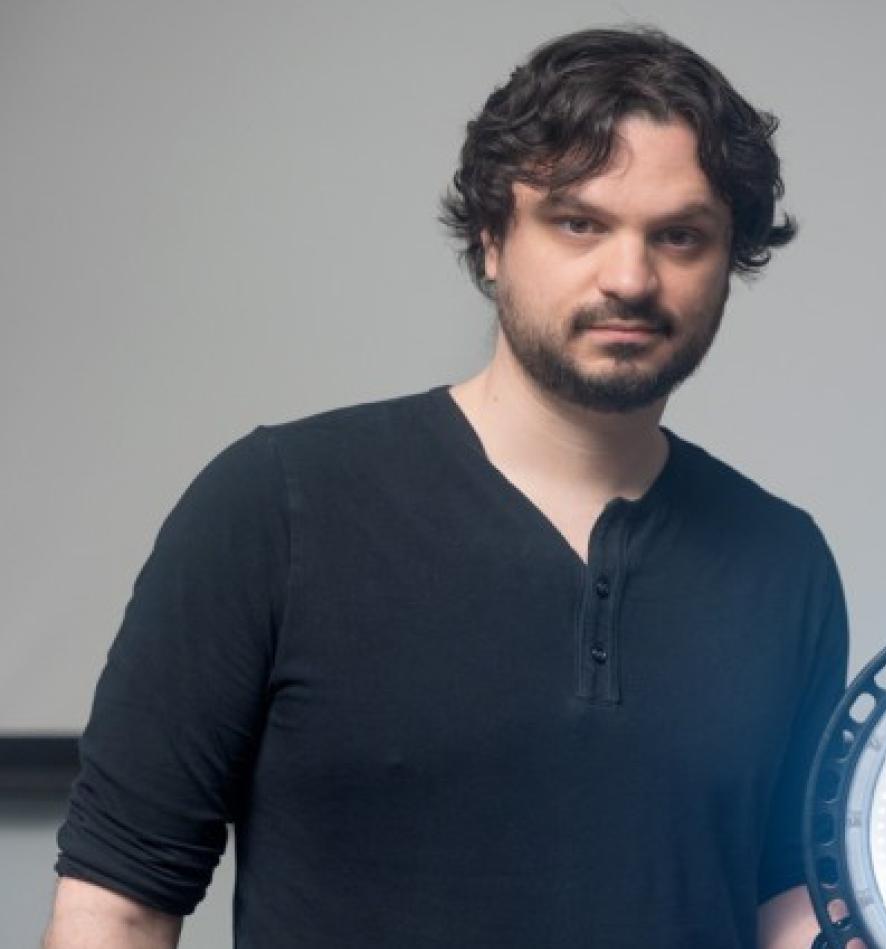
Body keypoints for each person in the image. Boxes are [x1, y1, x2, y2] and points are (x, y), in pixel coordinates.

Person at [45, 27, 839, 949]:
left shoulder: (784, 562)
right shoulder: (276, 505)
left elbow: (786, 904)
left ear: (727, 263)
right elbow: (117, 905)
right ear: (492, 238)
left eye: (680, 236)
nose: (631, 277)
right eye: (579, 222)